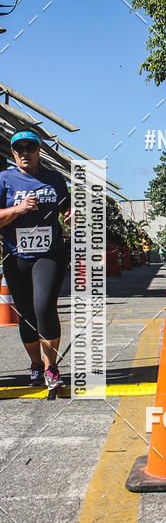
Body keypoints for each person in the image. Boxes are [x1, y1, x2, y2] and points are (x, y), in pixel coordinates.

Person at [0, 130, 71, 390]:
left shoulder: (54, 179)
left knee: (44, 306)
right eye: (19, 149)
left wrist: (70, 213)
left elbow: (67, 206)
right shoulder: (4, 179)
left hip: (49, 253)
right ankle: (35, 365)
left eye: (30, 148)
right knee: (27, 313)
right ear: (13, 153)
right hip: (16, 255)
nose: (25, 153)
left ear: (38, 151)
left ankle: (51, 367)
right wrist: (17, 209)